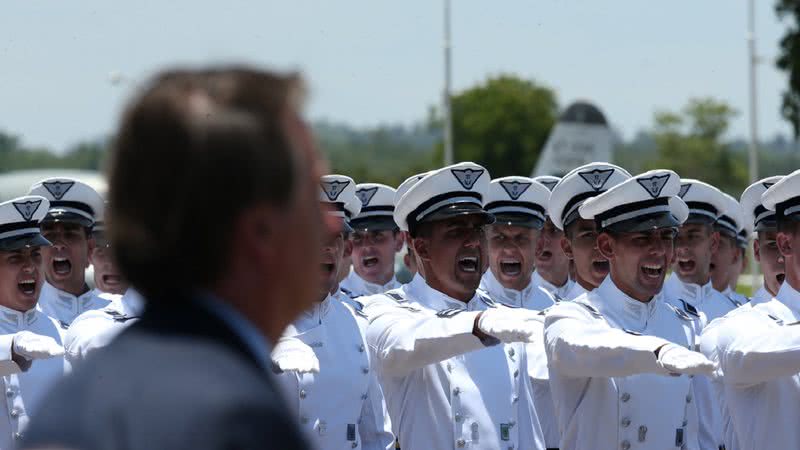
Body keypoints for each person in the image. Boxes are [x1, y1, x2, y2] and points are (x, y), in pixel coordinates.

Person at [23, 67, 324, 450]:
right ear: (260, 232)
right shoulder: (236, 421)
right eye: (312, 197)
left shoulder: (76, 400)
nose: (331, 224)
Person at [364, 162, 546, 450]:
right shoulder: (384, 311)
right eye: (456, 231)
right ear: (421, 247)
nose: (473, 242)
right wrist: (478, 325)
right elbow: (406, 344)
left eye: (477, 230)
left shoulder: (503, 316)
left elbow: (527, 432)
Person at [544, 169, 714, 450]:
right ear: (607, 246)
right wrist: (658, 352)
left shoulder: (689, 323)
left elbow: (702, 435)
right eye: (642, 239)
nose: (659, 251)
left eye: (666, 237)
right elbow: (587, 349)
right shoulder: (570, 318)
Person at [272, 174, 394, 450]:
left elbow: (377, 436)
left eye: (335, 238)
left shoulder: (360, 325)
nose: (327, 248)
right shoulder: (260, 319)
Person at [708, 168, 800, 449]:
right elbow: (736, 354)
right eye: (771, 246)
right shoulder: (738, 326)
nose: (779, 261)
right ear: (785, 244)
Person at [662, 179, 739, 450]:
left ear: (714, 241)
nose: (682, 248)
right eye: (675, 237)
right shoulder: (655, 305)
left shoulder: (737, 313)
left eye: (693, 236)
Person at [0, 196, 66, 447]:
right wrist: (11, 347)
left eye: (36, 255)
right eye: (15, 258)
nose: (30, 267)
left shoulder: (58, 334)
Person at [28, 178, 110, 328]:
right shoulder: (21, 316)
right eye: (50, 235)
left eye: (70, 234)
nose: (59, 245)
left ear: (90, 248)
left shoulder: (115, 314)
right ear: (37, 251)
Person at [548, 162, 632, 301]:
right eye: (588, 235)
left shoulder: (661, 315)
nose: (601, 245)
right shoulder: (559, 320)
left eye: (611, 231)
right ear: (567, 247)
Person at [479, 176, 553, 309]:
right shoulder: (467, 308)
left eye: (521, 238)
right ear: (485, 244)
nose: (509, 249)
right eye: (499, 238)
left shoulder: (554, 309)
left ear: (539, 245)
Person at [340, 183, 404, 298]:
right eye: (357, 238)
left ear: (399, 241)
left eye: (377, 235)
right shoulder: (334, 302)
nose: (367, 246)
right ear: (347, 247)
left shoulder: (414, 300)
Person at [740, 176, 785, 303]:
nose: (784, 256)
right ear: (756, 250)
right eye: (773, 244)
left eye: (796, 244)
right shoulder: (736, 323)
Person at [532, 176, 573, 298]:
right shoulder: (509, 301)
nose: (543, 239)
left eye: (554, 230)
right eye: (537, 229)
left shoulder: (587, 297)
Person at [709, 193, 748, 305]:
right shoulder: (659, 304)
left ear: (734, 255)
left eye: (719, 243)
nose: (710, 250)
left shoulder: (749, 313)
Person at [89, 205, 128, 296]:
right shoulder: (71, 310)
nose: (111, 263)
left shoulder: (160, 308)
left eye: (121, 252)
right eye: (101, 252)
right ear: (89, 256)